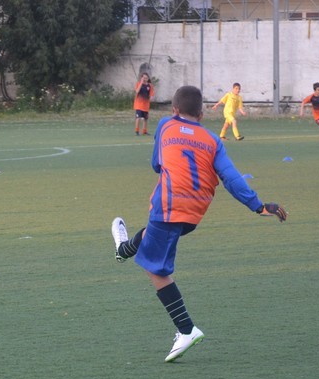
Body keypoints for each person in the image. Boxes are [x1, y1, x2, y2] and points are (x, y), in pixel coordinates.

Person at [110, 85, 288, 363]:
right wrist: (258, 206)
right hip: (194, 212)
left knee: (155, 269)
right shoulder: (213, 141)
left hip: (168, 206)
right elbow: (231, 177)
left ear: (174, 110)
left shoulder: (166, 125)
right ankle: (123, 250)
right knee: (154, 237)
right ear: (202, 115)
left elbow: (157, 164)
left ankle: (186, 330)